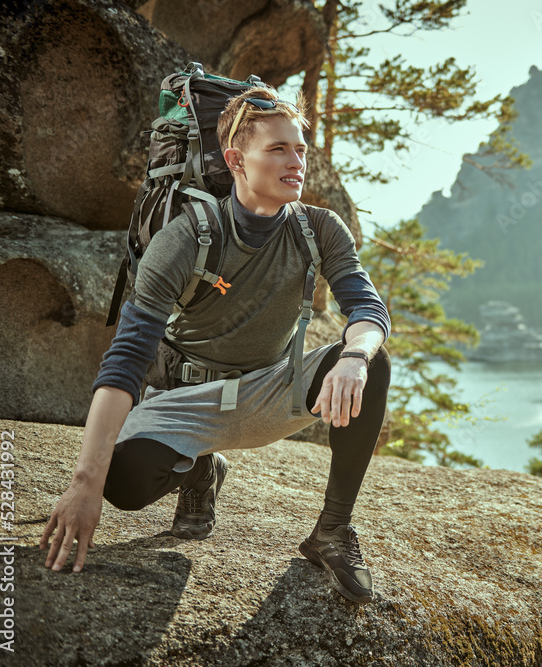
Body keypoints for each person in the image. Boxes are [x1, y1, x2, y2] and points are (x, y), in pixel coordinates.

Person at [39, 87, 391, 604]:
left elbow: (368, 309)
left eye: (300, 150)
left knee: (372, 360)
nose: (296, 163)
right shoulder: (187, 239)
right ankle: (200, 466)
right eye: (278, 150)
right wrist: (84, 483)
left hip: (272, 388)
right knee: (122, 485)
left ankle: (333, 531)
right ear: (235, 160)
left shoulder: (320, 229)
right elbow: (126, 361)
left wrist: (356, 356)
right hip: (186, 398)